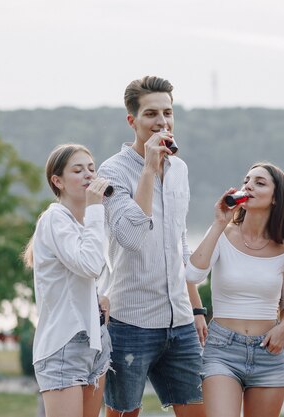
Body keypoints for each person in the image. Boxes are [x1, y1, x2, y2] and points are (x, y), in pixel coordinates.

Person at [97, 75, 206, 417]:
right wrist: (148, 168)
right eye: (151, 114)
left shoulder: (180, 169)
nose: (162, 122)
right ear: (132, 120)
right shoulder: (111, 172)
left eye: (168, 113)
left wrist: (197, 307)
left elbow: (179, 242)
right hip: (130, 322)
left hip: (181, 321)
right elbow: (131, 237)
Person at [185, 162, 284, 417]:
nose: (248, 185)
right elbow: (192, 275)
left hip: (268, 353)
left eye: (260, 183)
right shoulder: (223, 233)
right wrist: (218, 224)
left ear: (275, 198)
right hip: (222, 349)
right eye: (247, 180)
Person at [23, 143, 112, 417]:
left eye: (91, 168)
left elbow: (97, 274)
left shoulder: (87, 224)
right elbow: (89, 264)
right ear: (57, 181)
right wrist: (96, 208)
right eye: (78, 170)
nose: (88, 174)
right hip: (64, 344)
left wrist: (103, 298)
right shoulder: (54, 219)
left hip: (95, 343)